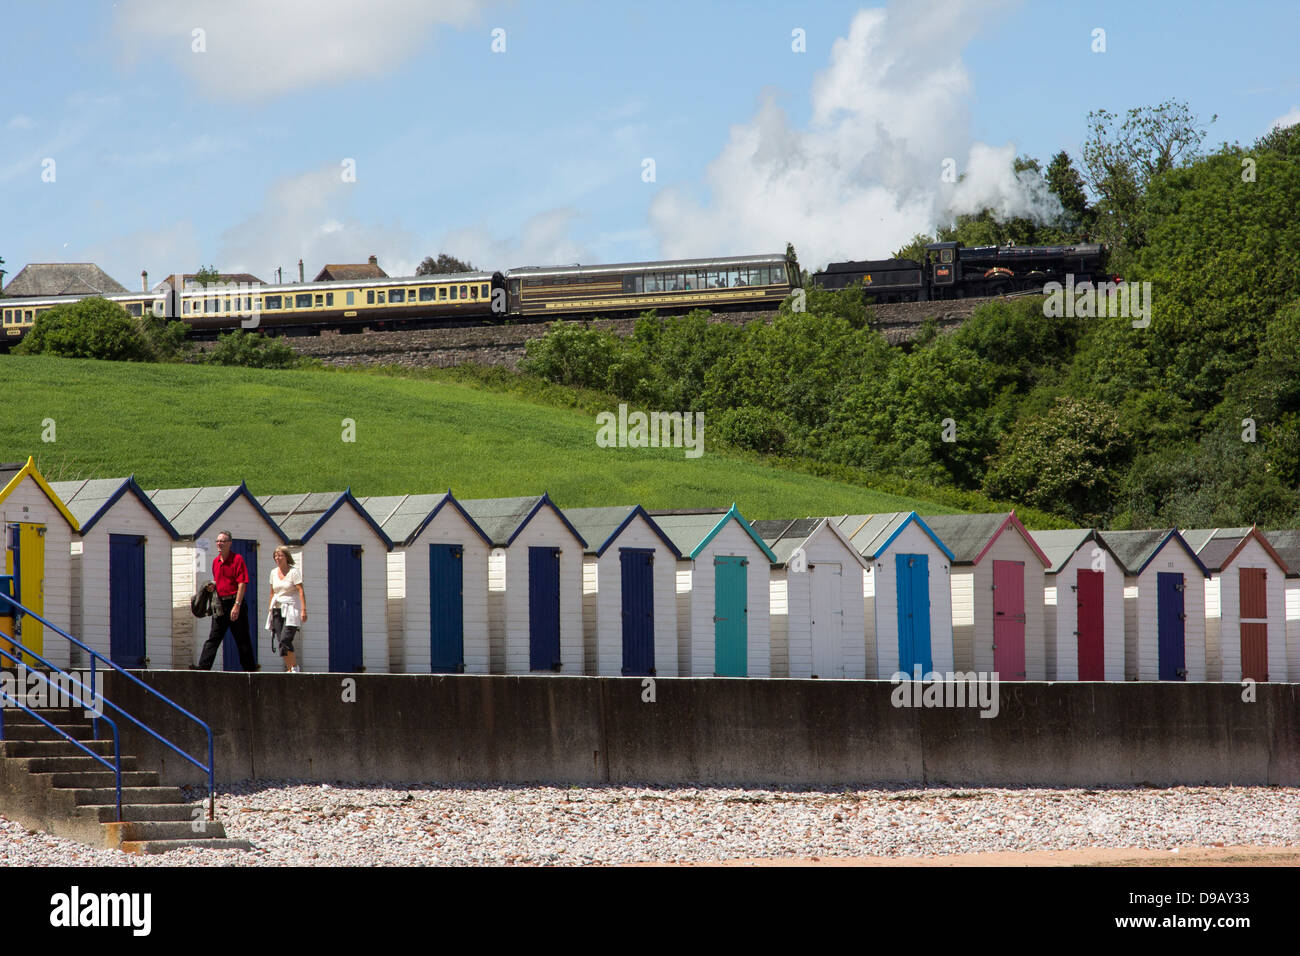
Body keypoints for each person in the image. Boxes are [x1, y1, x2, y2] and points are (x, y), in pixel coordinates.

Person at [196, 531, 256, 670]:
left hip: (235, 602)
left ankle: (250, 672)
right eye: (217, 541)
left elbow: (242, 583)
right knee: (213, 638)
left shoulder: (237, 559)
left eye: (223, 541)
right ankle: (203, 668)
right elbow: (220, 582)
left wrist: (237, 605)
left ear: (230, 543)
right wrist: (212, 586)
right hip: (220, 604)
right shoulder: (215, 562)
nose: (219, 543)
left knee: (242, 639)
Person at [265, 546, 306, 672]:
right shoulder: (273, 572)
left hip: (290, 608)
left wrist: (303, 609)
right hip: (277, 609)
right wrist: (269, 609)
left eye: (280, 555)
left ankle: (294, 667)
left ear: (286, 557)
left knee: (285, 638)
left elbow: (300, 590)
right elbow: (272, 592)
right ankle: (289, 668)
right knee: (280, 641)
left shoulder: (294, 572)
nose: (277, 558)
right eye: (276, 556)